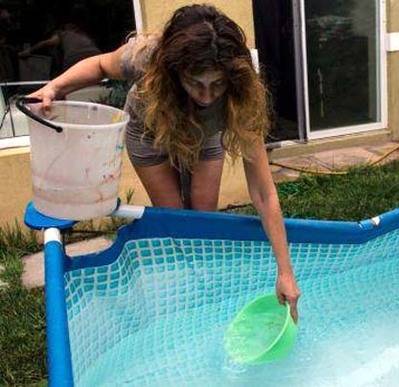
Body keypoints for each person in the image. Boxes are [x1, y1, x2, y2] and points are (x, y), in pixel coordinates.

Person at [28, 4, 301, 320]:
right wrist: (54, 87)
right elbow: (101, 65)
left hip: (205, 137)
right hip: (150, 132)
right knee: (175, 220)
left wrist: (285, 271)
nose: (207, 96)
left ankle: (205, 285)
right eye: (195, 83)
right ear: (174, 70)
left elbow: (264, 194)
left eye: (217, 85)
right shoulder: (148, 56)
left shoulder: (242, 96)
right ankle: (185, 288)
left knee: (202, 216)